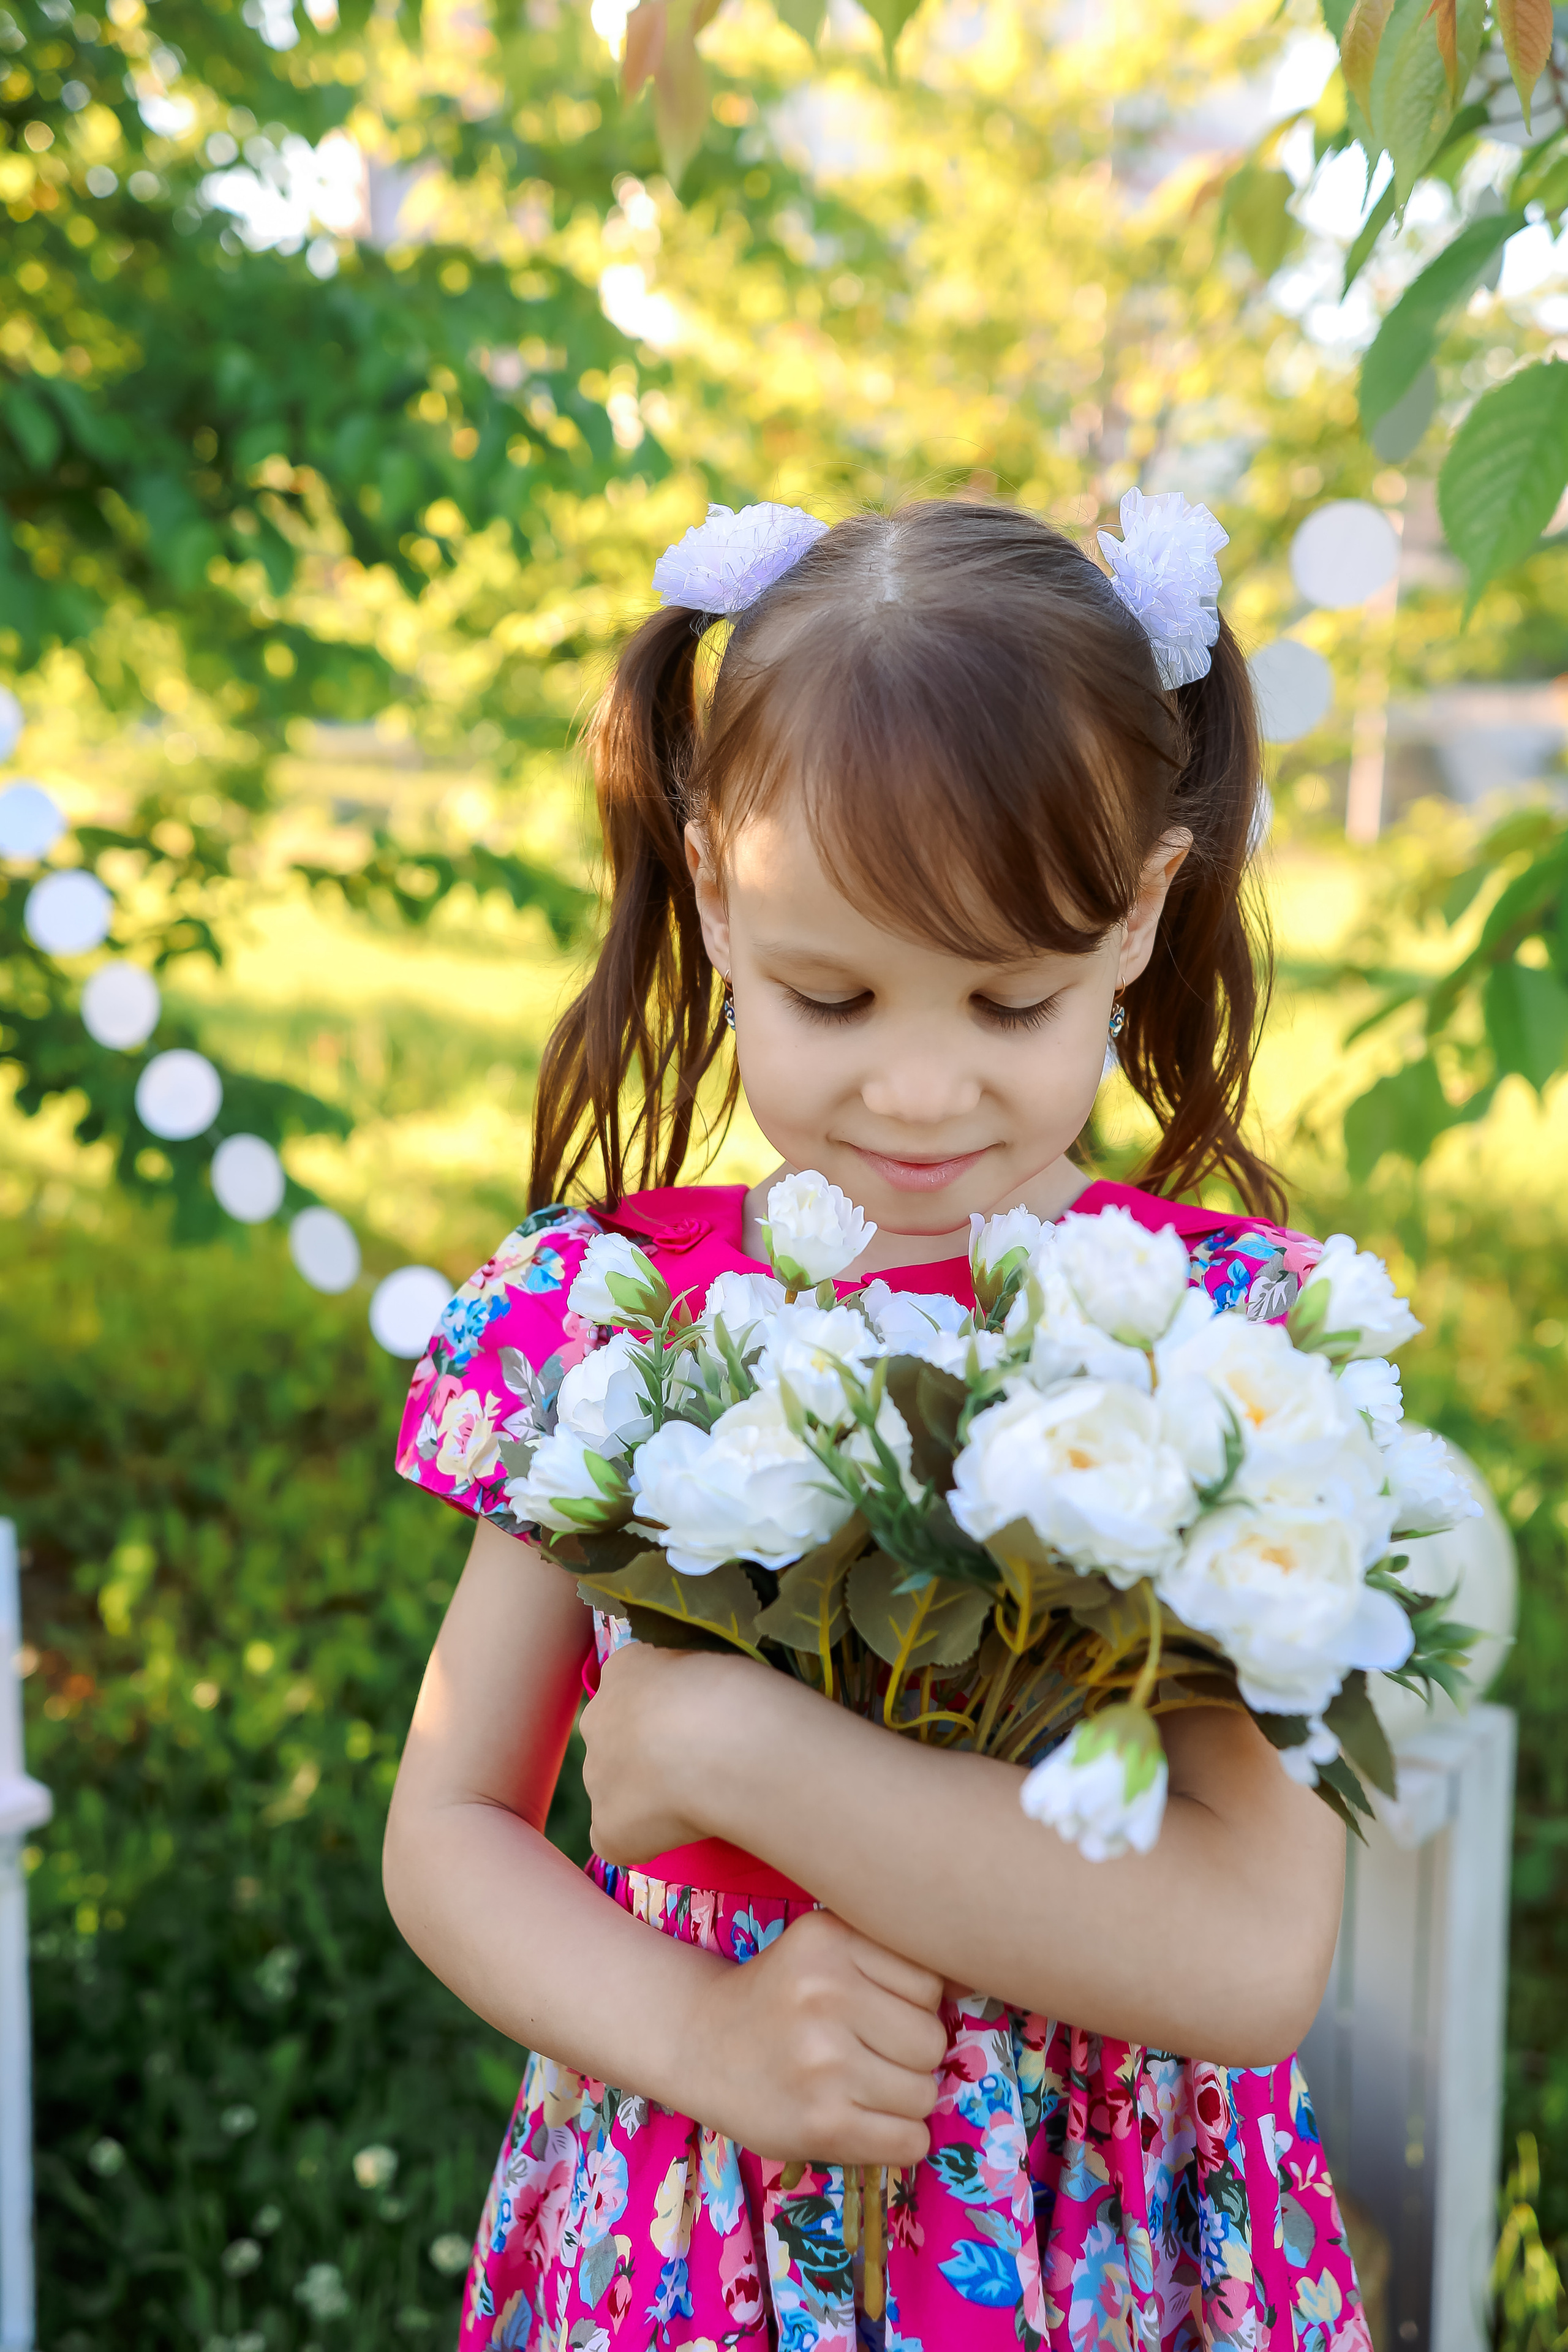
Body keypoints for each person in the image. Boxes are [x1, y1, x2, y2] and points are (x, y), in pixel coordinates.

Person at [383, 495, 1368, 2352]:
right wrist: (709, 2041)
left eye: (1013, 1000)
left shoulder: (1217, 1347)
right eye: (831, 996)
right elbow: (449, 1818)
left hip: (1108, 2249)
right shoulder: (615, 1320)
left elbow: (1251, 1955)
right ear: (713, 895)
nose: (921, 1096)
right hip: (702, 2227)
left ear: (1140, 920)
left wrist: (739, 1755)